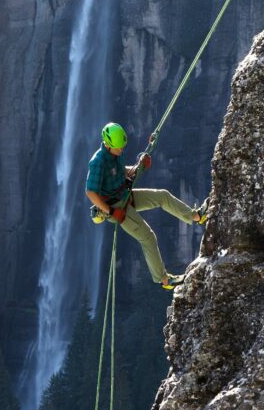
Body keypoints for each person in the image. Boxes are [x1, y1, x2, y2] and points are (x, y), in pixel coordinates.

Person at [85, 122, 207, 290]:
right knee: (148, 237)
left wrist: (138, 166)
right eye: (118, 148)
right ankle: (164, 280)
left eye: (122, 147)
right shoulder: (97, 162)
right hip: (116, 208)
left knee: (162, 196)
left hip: (126, 196)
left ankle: (197, 216)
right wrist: (112, 211)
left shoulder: (116, 152)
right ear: (107, 144)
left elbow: (121, 171)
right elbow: (91, 192)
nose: (121, 150)